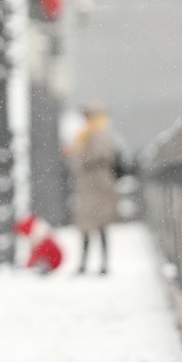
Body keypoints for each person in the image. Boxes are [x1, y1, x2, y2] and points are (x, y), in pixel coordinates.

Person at [72, 103, 117, 274]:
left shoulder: (97, 131)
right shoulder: (91, 132)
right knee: (92, 224)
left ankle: (96, 263)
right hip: (92, 184)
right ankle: (90, 263)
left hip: (96, 184)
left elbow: (99, 154)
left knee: (96, 223)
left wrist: (79, 153)